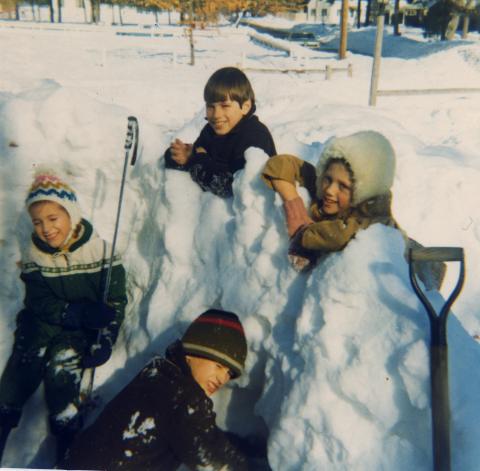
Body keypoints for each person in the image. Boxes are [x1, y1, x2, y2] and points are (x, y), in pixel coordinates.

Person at [0, 170, 127, 463]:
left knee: (63, 368)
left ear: (72, 215)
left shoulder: (101, 252)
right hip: (42, 322)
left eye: (53, 219)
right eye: (37, 222)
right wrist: (68, 311)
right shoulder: (35, 253)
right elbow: (36, 299)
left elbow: (115, 301)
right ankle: (5, 415)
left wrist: (106, 335)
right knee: (25, 360)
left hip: (77, 329)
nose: (45, 228)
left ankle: (66, 429)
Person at [59, 309, 255, 471]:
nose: (223, 378)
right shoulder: (183, 397)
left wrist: (234, 445)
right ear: (192, 355)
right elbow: (211, 460)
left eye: (229, 373)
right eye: (218, 366)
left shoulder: (158, 375)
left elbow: (195, 430)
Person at [262, 131, 400, 272]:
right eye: (328, 178)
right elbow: (280, 163)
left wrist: (304, 235)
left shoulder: (375, 220)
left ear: (363, 192)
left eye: (343, 186)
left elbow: (342, 234)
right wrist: (294, 207)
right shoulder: (322, 190)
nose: (329, 190)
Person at [164, 66, 277, 198]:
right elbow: (200, 156)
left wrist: (198, 160)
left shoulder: (254, 137)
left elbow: (230, 187)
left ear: (245, 107)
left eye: (225, 106)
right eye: (211, 106)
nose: (216, 114)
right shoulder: (210, 131)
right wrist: (182, 155)